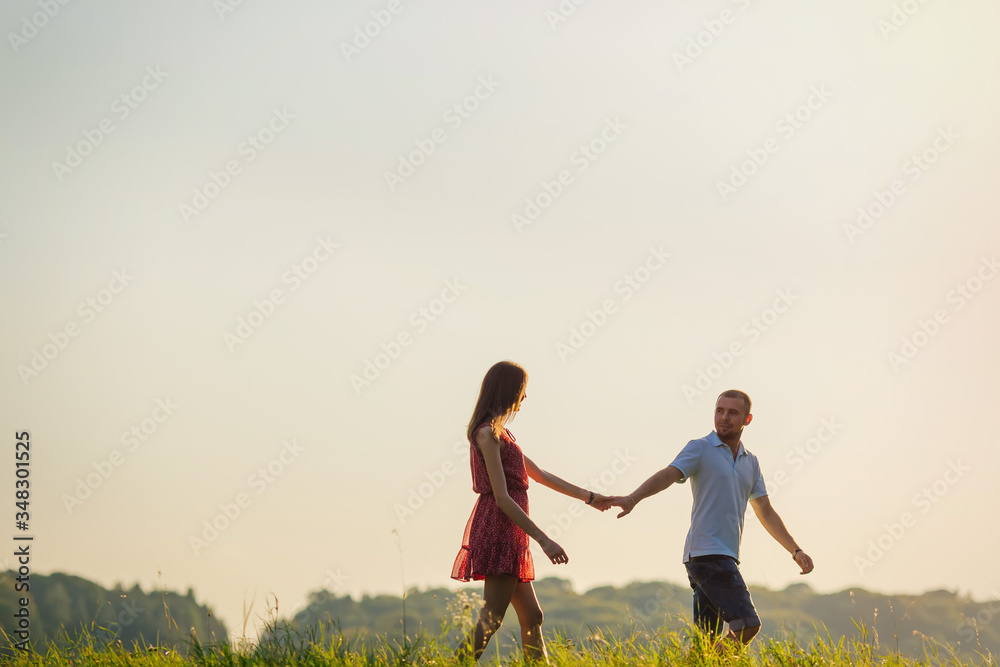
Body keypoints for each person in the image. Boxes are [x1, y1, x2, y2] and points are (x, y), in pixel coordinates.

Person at [601, 389, 814, 651]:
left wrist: (795, 550)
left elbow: (765, 511)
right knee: (747, 624)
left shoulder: (752, 462)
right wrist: (633, 498)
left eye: (732, 413)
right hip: (707, 555)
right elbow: (668, 474)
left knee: (705, 644)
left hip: (722, 556)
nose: (724, 417)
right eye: (719, 411)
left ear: (747, 420)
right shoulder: (700, 448)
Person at [452, 361, 610, 663]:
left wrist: (591, 498)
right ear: (508, 390)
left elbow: (541, 476)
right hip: (499, 529)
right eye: (523, 390)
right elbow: (501, 497)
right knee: (492, 619)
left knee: (533, 616)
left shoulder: (505, 435)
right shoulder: (487, 434)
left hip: (512, 532)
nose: (524, 397)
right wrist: (543, 539)